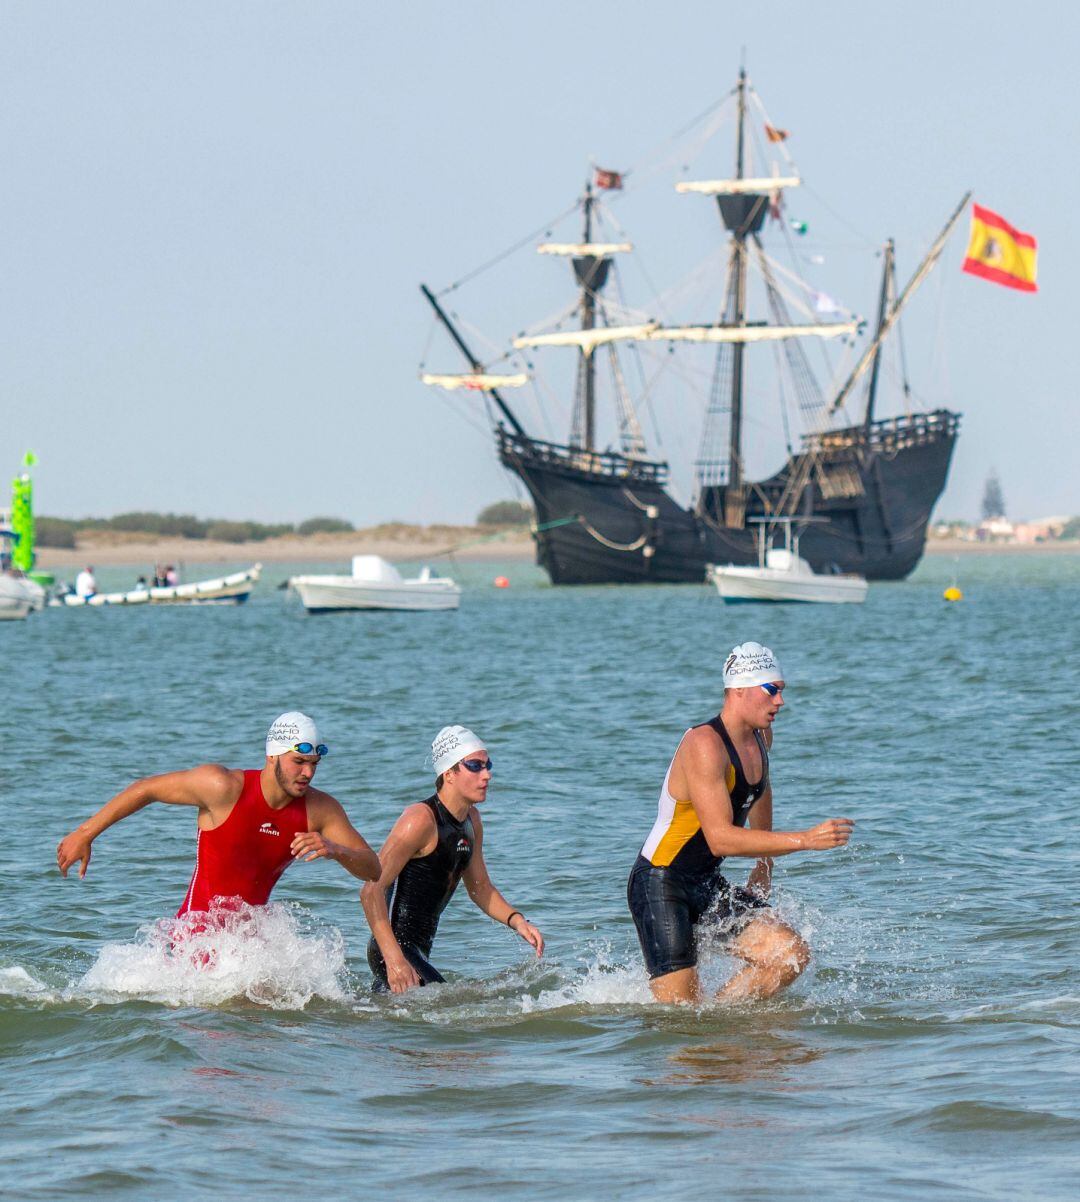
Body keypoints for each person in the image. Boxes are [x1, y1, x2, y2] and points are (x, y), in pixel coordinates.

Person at [627, 643, 854, 1004]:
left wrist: (764, 866)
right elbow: (720, 840)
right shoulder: (704, 745)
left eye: (782, 690)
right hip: (661, 883)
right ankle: (709, 1039)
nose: (779, 701)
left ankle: (726, 1027)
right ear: (739, 690)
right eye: (772, 690)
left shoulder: (760, 737)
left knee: (789, 956)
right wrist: (806, 840)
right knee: (682, 1021)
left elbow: (760, 791)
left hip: (706, 881)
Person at [56, 712, 380, 918]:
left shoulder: (320, 809)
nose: (308, 773)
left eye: (314, 765)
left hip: (249, 945)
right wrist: (85, 833)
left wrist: (337, 850)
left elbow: (373, 869)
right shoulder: (222, 787)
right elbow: (147, 788)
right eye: (299, 762)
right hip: (196, 937)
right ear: (272, 756)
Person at [362, 725, 544, 992]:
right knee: (449, 1004)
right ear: (449, 773)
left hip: (417, 951)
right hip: (391, 948)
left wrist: (517, 921)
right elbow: (371, 890)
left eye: (487, 765)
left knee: (388, 1015)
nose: (488, 775)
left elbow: (480, 887)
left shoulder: (472, 820)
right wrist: (394, 960)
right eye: (475, 766)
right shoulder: (420, 820)